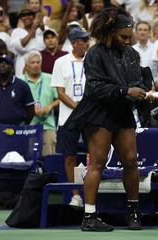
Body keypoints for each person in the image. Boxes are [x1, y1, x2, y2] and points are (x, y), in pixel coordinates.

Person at [64, 7, 154, 231]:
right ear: (110, 32)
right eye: (123, 37)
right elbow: (95, 88)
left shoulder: (132, 54)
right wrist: (126, 91)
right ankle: (89, 217)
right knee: (98, 162)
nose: (127, 41)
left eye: (129, 37)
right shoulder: (95, 53)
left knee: (131, 161)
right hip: (99, 113)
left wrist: (143, 91)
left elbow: (135, 82)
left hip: (122, 113)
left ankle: (133, 212)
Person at [51, 26, 90, 208]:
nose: (87, 43)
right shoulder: (61, 62)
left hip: (91, 115)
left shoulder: (92, 60)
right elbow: (60, 92)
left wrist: (86, 108)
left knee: (95, 156)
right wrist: (77, 108)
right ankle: (76, 195)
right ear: (75, 43)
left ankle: (92, 193)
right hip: (68, 117)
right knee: (69, 157)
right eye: (84, 40)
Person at [21, 51, 59, 156]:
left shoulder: (50, 78)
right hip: (27, 126)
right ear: (26, 66)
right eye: (32, 62)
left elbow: (60, 98)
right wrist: (30, 110)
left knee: (49, 158)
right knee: (29, 158)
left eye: (38, 62)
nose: (36, 65)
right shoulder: (20, 81)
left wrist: (49, 106)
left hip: (47, 124)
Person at [0, 53, 35, 126]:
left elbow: (30, 109)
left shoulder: (22, 85)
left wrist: (24, 124)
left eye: (6, 63)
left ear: (12, 67)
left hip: (18, 128)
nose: (2, 65)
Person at [10, 5, 45, 78]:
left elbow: (43, 47)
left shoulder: (39, 31)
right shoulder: (17, 31)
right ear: (21, 18)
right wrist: (32, 31)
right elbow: (21, 45)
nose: (27, 17)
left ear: (33, 16)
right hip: (22, 62)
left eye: (29, 14)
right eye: (24, 15)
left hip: (38, 64)